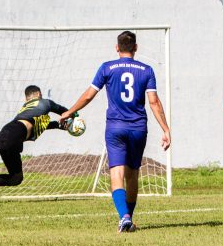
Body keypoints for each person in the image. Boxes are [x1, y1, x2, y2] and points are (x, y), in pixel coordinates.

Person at [61, 31, 170, 232]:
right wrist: (165, 129)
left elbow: (88, 95)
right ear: (136, 48)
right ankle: (128, 217)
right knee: (132, 174)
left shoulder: (107, 68)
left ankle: (124, 218)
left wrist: (70, 112)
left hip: (115, 128)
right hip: (138, 128)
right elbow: (153, 102)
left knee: (116, 172)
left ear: (117, 48)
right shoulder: (146, 70)